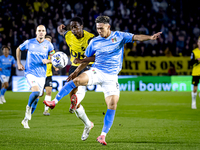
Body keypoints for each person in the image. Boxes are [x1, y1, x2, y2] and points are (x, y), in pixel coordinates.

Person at [44, 16, 162, 145]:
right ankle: (54, 102)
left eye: (101, 28)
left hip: (111, 77)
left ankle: (102, 136)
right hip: (97, 71)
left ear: (108, 27)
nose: (99, 31)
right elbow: (87, 59)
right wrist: (76, 71)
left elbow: (136, 37)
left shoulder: (119, 36)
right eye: (97, 28)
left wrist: (150, 38)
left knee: (112, 105)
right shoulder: (94, 41)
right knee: (76, 81)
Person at [43, 17, 95, 141]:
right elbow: (61, 31)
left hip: (87, 66)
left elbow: (95, 56)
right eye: (71, 27)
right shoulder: (69, 35)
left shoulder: (91, 38)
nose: (73, 30)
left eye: (76, 27)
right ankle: (88, 124)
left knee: (78, 91)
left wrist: (83, 61)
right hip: (73, 66)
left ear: (82, 26)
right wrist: (59, 28)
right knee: (75, 103)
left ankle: (65, 100)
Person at [16, 25, 54, 129]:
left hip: (42, 75)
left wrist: (48, 60)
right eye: (39, 31)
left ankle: (26, 120)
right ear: (36, 32)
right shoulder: (29, 42)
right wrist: (19, 63)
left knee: (37, 99)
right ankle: (28, 108)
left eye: (43, 31)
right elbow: (18, 49)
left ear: (45, 32)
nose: (41, 32)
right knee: (36, 92)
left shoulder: (49, 45)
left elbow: (52, 58)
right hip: (30, 72)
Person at [43, 35, 59, 116]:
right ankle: (30, 108)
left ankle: (46, 110)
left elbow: (54, 60)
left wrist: (55, 67)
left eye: (49, 41)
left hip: (48, 75)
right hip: (39, 75)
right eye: (46, 41)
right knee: (39, 94)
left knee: (49, 92)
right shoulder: (39, 50)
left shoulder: (52, 52)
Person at [190, 36, 200, 109]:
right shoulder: (194, 52)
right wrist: (197, 60)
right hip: (196, 72)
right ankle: (193, 103)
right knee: (195, 89)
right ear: (198, 43)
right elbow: (191, 62)